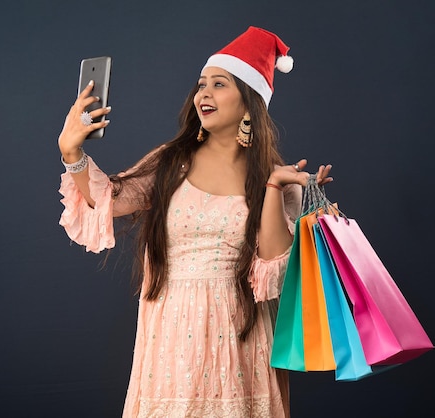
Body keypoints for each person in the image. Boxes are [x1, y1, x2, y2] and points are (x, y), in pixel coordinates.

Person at [57, 26, 332, 418]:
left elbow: (272, 272)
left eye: (219, 84)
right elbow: (106, 199)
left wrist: (274, 187)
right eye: (202, 84)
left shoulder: (274, 176)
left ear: (249, 103)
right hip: (171, 329)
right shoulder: (170, 162)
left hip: (241, 335)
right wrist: (72, 152)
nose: (204, 93)